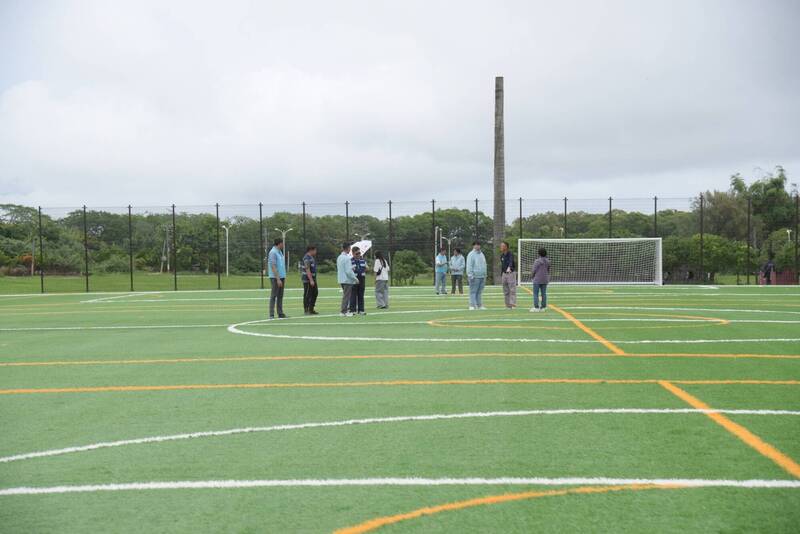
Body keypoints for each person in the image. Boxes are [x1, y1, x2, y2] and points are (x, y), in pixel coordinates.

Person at [267, 238, 287, 319]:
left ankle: (280, 313)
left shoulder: (280, 252)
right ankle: (271, 314)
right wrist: (278, 278)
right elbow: (273, 266)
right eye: (283, 243)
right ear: (279, 244)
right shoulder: (273, 252)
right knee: (274, 295)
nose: (283, 245)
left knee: (280, 295)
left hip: (281, 276)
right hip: (275, 277)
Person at [337, 243, 357, 317]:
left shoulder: (339, 257)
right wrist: (355, 278)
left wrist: (351, 267)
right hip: (347, 280)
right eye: (349, 248)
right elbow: (348, 271)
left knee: (345, 295)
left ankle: (345, 310)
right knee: (347, 296)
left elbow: (342, 268)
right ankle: (344, 311)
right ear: (348, 248)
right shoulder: (347, 258)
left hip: (341, 279)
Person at [466, 241, 487, 310]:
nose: (478, 246)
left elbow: (484, 264)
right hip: (474, 276)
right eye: (476, 245)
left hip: (482, 276)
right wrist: (470, 275)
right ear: (473, 246)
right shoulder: (471, 254)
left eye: (479, 245)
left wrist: (485, 274)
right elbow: (469, 265)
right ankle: (472, 305)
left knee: (479, 292)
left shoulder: (482, 254)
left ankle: (479, 305)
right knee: (473, 291)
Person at [531, 247, 550, 312]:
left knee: (535, 293)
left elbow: (534, 270)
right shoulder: (548, 261)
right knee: (543, 293)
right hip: (545, 279)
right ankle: (543, 307)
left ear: (539, 253)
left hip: (537, 279)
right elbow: (548, 270)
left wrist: (532, 276)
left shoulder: (537, 261)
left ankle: (536, 307)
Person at [350, 246, 368, 315]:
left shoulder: (362, 260)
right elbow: (353, 270)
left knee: (361, 295)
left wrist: (363, 269)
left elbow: (367, 268)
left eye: (359, 253)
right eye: (357, 253)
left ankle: (361, 310)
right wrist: (360, 270)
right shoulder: (351, 261)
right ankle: (353, 310)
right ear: (353, 253)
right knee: (353, 295)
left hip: (362, 279)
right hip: (354, 279)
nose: (358, 255)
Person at [301, 245, 319, 315]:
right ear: (311, 250)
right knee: (307, 294)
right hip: (307, 279)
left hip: (313, 278)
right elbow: (307, 269)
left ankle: (311, 308)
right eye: (315, 250)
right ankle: (306, 309)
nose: (316, 252)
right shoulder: (306, 258)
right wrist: (311, 280)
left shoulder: (311, 257)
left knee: (315, 293)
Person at [499, 241, 517, 309]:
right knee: (505, 290)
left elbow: (510, 261)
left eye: (502, 246)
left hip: (510, 273)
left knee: (512, 289)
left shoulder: (510, 254)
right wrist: (502, 274)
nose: (501, 247)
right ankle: (507, 305)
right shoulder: (502, 255)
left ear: (506, 247)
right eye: (501, 246)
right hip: (504, 274)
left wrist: (509, 268)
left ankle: (513, 304)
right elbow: (502, 265)